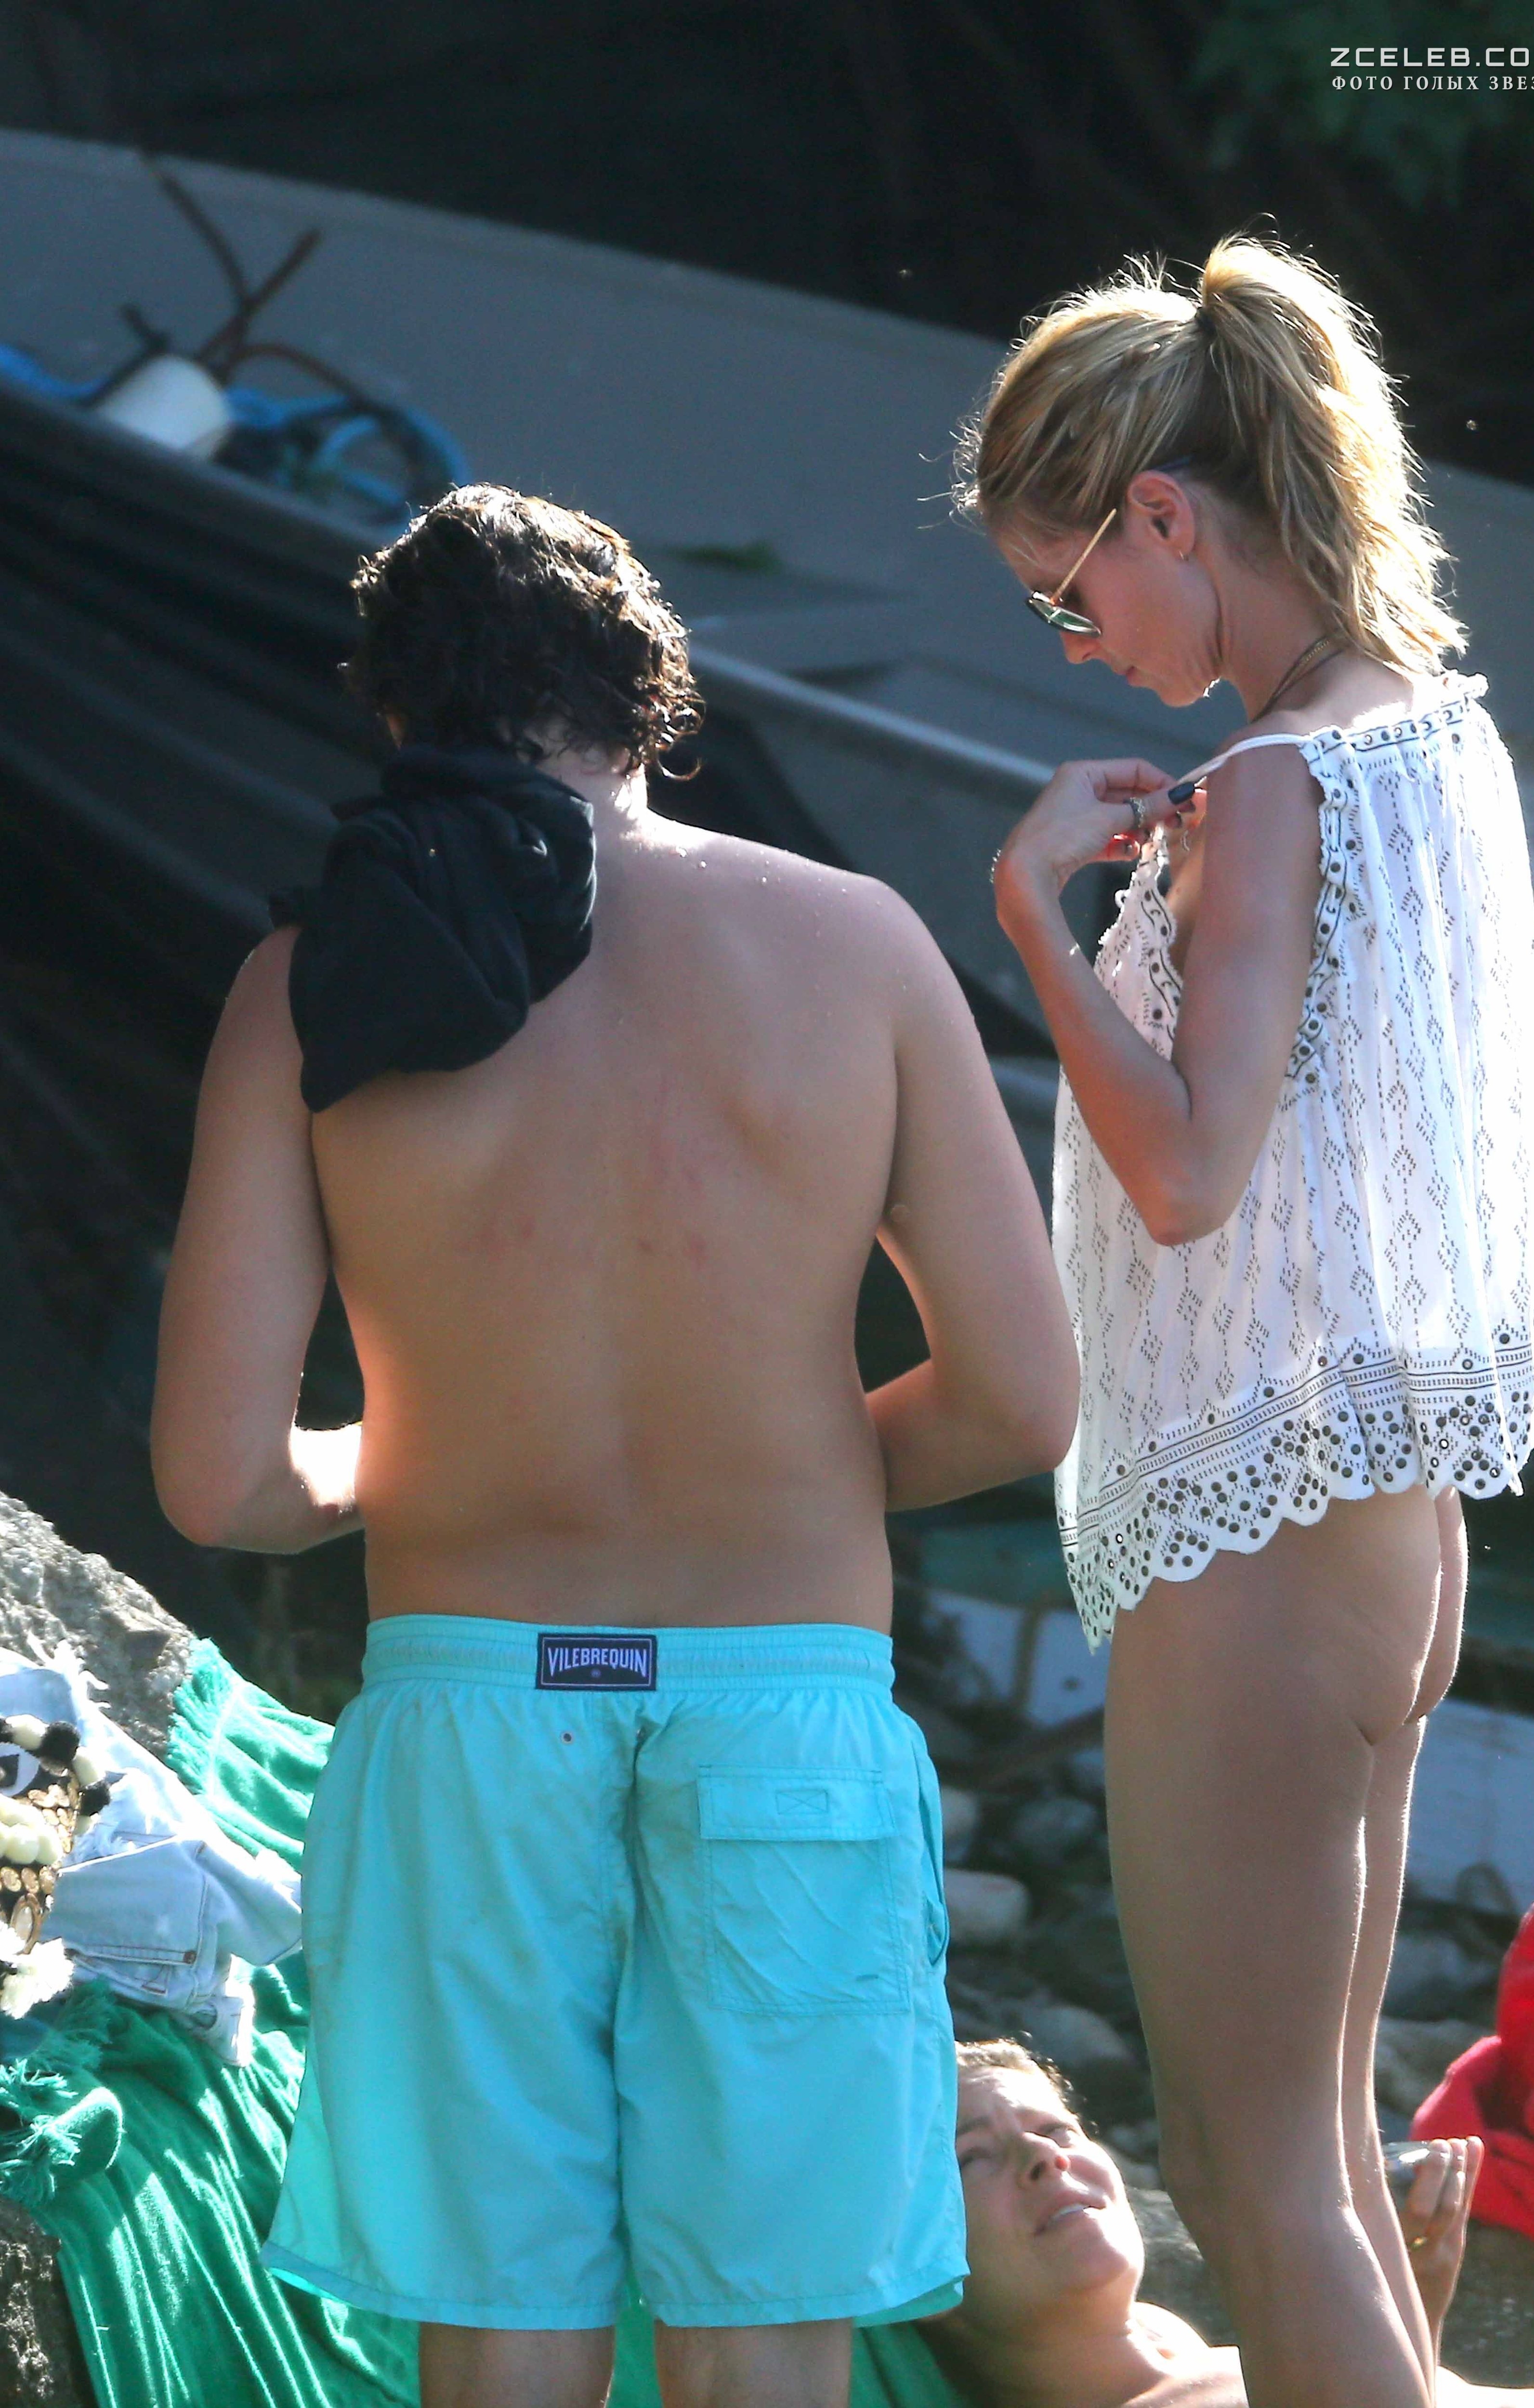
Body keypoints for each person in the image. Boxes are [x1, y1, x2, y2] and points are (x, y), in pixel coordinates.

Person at [150, 484, 1079, 2408]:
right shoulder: (852, 944)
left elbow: (222, 1479)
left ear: (392, 714)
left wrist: (411, 1456)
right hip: (777, 1709)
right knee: (764, 2323)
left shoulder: (307, 984)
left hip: (474, 1711)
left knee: (503, 2319)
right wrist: (792, 1464)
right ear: (656, 696)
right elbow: (1016, 1397)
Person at [955, 236, 1534, 2408]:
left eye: (1068, 595)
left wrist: (1034, 920)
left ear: (1162, 513)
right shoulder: (1432, 727)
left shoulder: (1279, 782)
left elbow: (1189, 1175)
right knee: (1310, 2149)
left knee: (1248, 2173)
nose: (1078, 644)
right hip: (1379, 1512)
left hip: (1259, 1512)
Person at [929, 2042, 1534, 2408]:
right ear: (915, 2274)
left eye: (1057, 2130)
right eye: (971, 2157)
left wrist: (1405, 2303)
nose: (1044, 2157)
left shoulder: (1168, 2347)